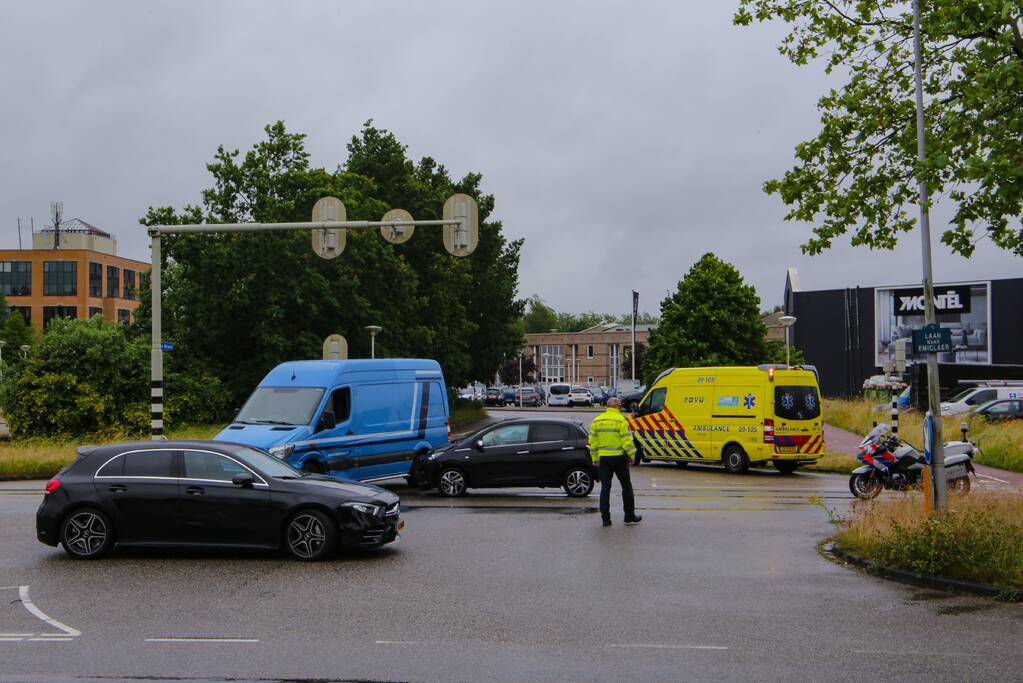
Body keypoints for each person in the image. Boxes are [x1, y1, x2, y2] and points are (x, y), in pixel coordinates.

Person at [588, 397, 642, 527]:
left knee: (605, 489)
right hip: (619, 458)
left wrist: (594, 458)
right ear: (616, 406)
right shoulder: (620, 420)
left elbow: (593, 442)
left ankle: (605, 519)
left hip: (604, 459)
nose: (621, 407)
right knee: (626, 487)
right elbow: (627, 440)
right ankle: (629, 516)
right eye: (620, 405)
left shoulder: (597, 420)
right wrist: (631, 455)